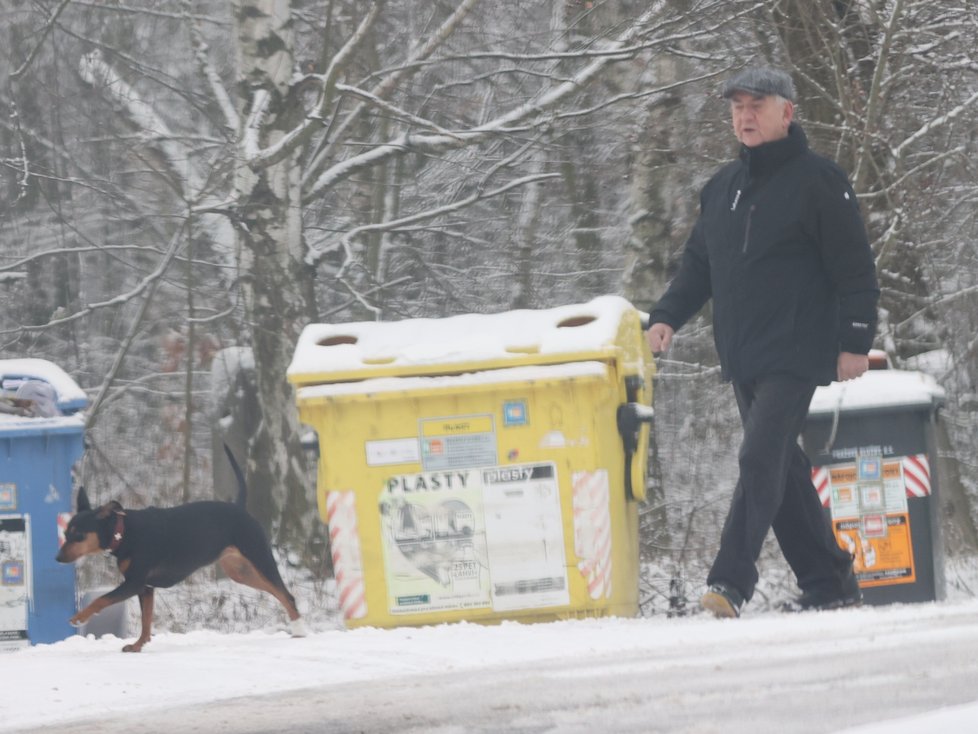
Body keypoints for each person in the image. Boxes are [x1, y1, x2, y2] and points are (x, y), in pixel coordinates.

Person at [647, 66, 880, 618]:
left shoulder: (820, 181)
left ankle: (728, 582)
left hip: (797, 349)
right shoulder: (721, 189)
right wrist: (667, 317)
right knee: (780, 466)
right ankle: (829, 580)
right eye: (737, 108)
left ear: (787, 113)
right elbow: (698, 266)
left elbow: (855, 268)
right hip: (744, 352)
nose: (745, 116)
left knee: (758, 457)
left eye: (757, 105)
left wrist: (854, 340)